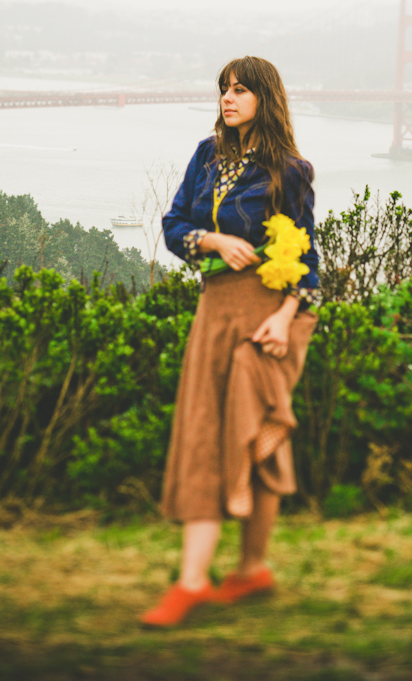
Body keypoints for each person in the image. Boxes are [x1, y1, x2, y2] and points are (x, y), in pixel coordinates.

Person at [140, 56, 318, 627]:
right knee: (204, 433)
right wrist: (213, 241)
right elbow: (173, 227)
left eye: (241, 89)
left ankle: (249, 569)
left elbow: (309, 262)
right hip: (215, 312)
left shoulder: (289, 171)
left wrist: (286, 317)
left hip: (268, 315)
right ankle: (197, 580)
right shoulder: (205, 156)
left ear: (265, 97)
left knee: (255, 433)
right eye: (224, 89)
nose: (229, 97)